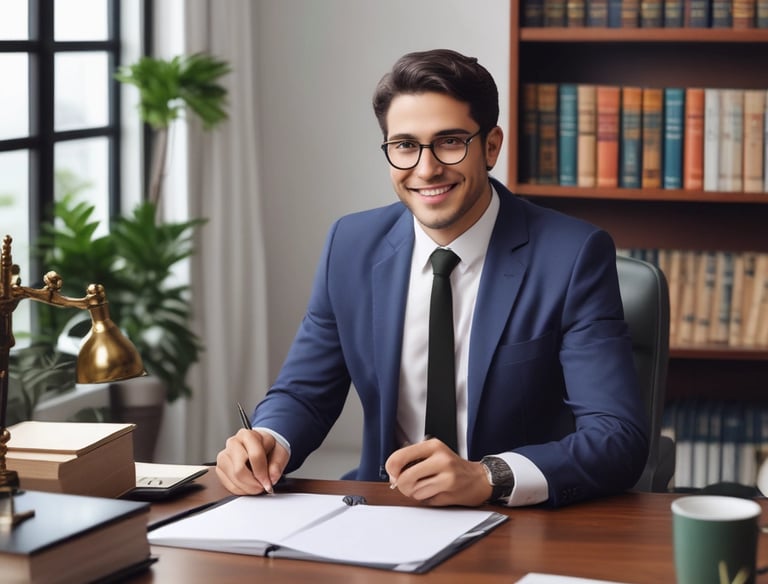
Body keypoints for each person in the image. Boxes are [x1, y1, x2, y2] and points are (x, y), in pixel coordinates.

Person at [216, 48, 648, 508]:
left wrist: (489, 475)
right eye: (404, 145)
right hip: (385, 510)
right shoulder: (351, 245)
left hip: (515, 520)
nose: (425, 169)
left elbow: (617, 437)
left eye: (449, 141)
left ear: (491, 146)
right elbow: (305, 392)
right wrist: (267, 439)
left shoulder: (572, 255)